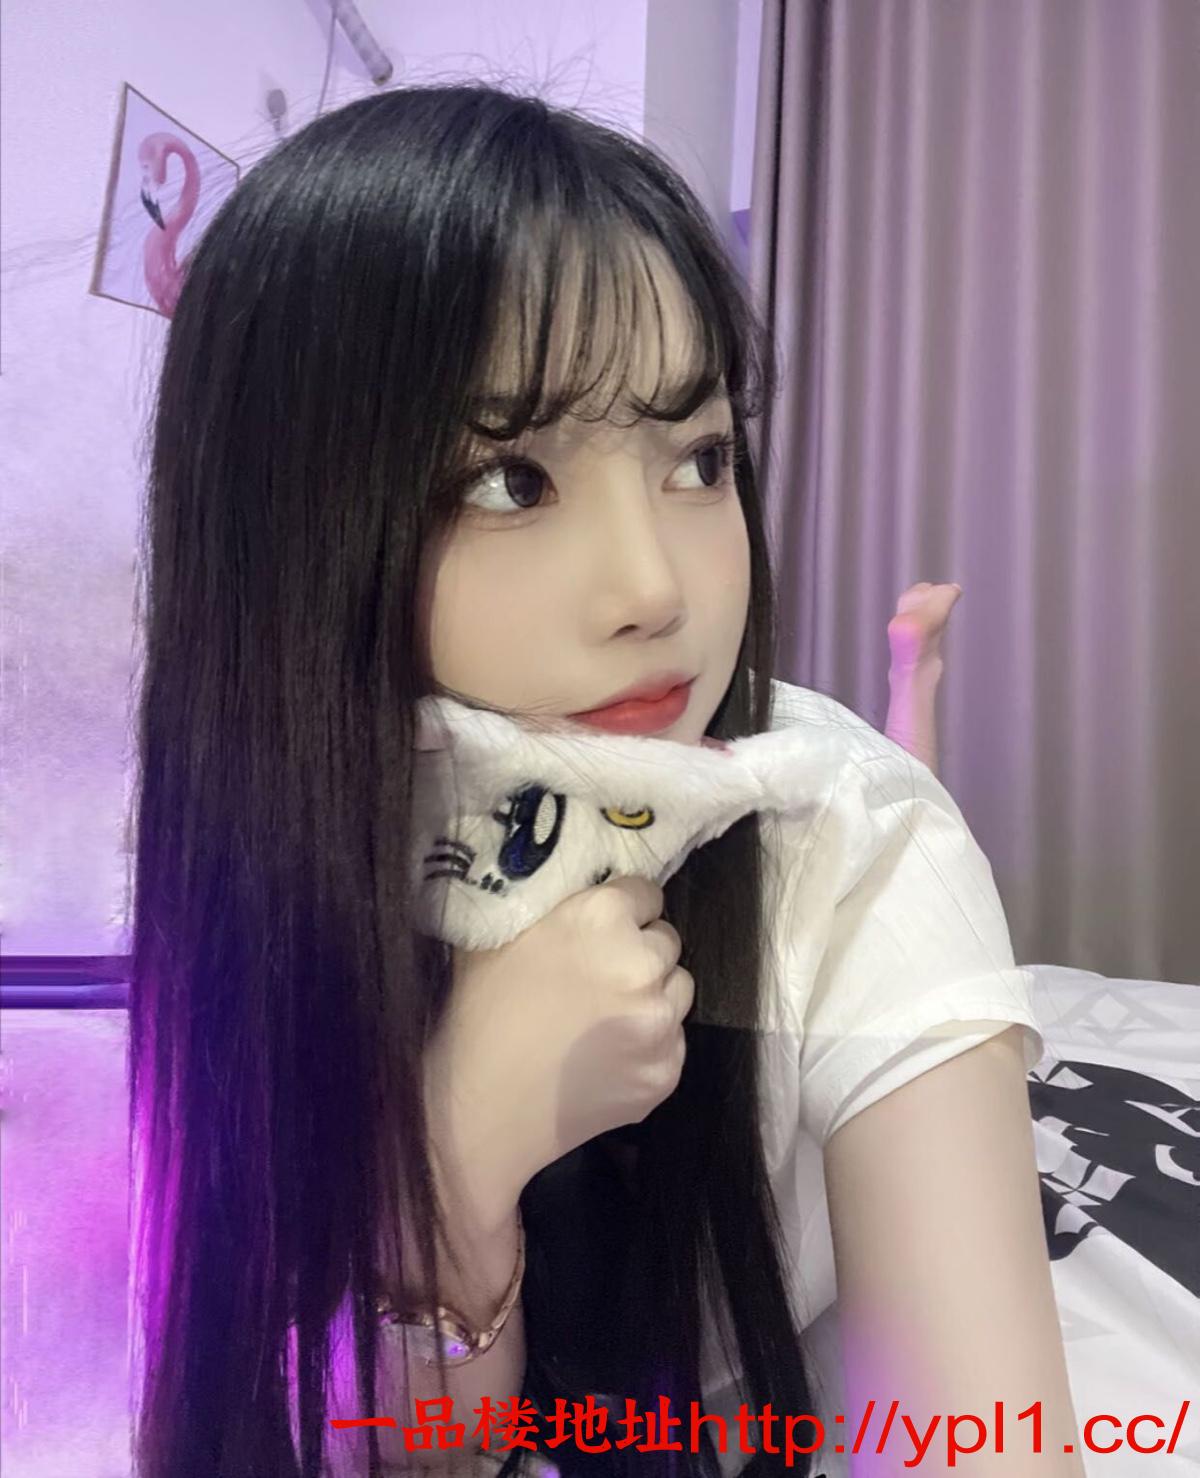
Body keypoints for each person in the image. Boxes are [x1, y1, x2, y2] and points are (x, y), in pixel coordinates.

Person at [129, 82, 1110, 1478]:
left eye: (697, 460)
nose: (657, 586)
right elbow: (365, 1436)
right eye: (512, 481)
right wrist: (455, 1166)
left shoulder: (858, 839)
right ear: (293, 530)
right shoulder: (274, 847)